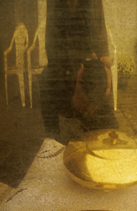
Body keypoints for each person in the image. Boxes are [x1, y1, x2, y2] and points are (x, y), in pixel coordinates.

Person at [40, 0, 116, 140]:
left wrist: (105, 71)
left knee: (109, 137)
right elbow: (51, 46)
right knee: (46, 79)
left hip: (89, 66)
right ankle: (53, 140)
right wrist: (75, 90)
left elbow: (101, 35)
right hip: (64, 71)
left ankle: (93, 125)